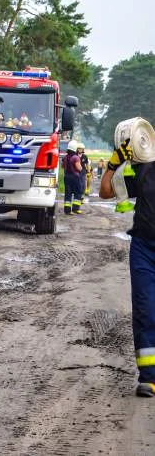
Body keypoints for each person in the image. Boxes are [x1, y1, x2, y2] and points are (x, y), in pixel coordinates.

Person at [99, 125, 155, 397]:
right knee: (146, 310)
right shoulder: (144, 169)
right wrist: (113, 163)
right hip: (144, 248)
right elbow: (106, 191)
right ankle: (149, 376)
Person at [61, 140, 84, 215]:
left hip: (66, 177)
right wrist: (83, 170)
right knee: (78, 192)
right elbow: (79, 168)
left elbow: (63, 167)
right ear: (75, 149)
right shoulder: (76, 157)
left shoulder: (65, 157)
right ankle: (75, 209)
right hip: (75, 177)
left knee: (68, 193)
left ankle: (67, 210)